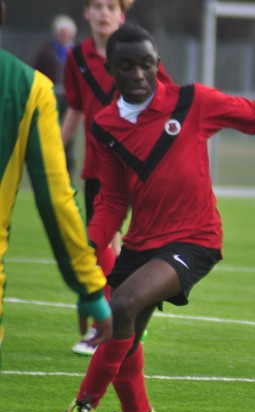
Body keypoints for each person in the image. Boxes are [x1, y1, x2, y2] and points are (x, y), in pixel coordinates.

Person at [51, 25, 255, 412]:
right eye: (126, 66)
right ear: (110, 70)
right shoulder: (103, 126)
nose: (138, 74)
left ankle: (83, 405)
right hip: (141, 241)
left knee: (124, 305)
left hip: (196, 237)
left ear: (158, 65)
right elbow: (113, 201)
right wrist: (89, 245)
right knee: (126, 334)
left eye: (146, 65)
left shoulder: (191, 102)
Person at [0, 0, 111, 358]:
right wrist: (91, 291)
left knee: (111, 235)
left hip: (107, 160)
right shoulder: (29, 85)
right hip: (91, 160)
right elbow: (54, 198)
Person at [62, 0, 170, 356]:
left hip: (138, 165)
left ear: (123, 15)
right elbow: (76, 107)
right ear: (86, 13)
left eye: (111, 6)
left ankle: (111, 327)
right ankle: (119, 324)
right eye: (97, 6)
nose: (104, 12)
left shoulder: (141, 54)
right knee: (110, 244)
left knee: (122, 245)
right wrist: (56, 149)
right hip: (99, 166)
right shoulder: (76, 58)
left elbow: (167, 99)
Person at [32, 14, 76, 173]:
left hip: (70, 101)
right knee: (50, 135)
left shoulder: (76, 54)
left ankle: (68, 175)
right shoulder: (46, 52)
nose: (64, 36)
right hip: (51, 98)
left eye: (67, 33)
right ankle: (50, 171)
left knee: (69, 140)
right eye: (61, 33)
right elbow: (36, 72)